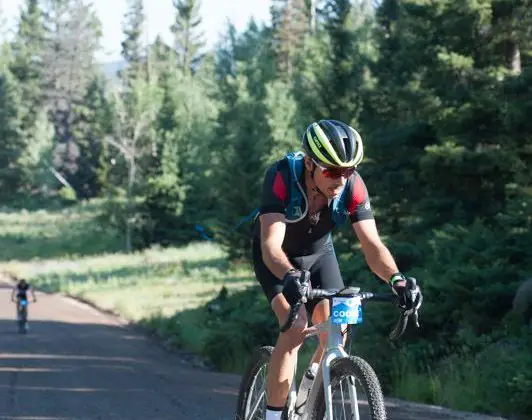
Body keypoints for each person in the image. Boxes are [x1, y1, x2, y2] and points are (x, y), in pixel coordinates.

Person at [252, 119, 422, 420]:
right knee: (295, 328)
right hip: (277, 259)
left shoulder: (353, 188)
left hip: (319, 255)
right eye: (331, 171)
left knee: (337, 331)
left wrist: (396, 279)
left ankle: (307, 397)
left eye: (348, 170)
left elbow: (373, 246)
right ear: (309, 163)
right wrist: (290, 276)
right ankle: (273, 416)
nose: (341, 179)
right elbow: (270, 246)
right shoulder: (281, 177)